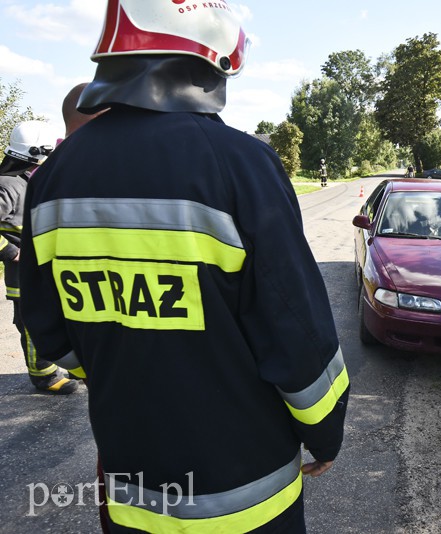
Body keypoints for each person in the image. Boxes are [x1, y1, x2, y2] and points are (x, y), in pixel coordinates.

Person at [20, 1, 349, 532]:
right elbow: (296, 329)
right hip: (249, 497)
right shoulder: (240, 164)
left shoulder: (53, 177)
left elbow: (48, 327)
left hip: (133, 491)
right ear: (211, 62)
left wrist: (122, 369)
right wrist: (325, 431)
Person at [0, 121, 79, 395]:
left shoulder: (21, 180)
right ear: (36, 151)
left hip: (38, 270)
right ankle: (44, 376)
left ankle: (67, 365)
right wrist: (10, 251)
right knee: (33, 324)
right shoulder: (9, 186)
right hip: (22, 275)